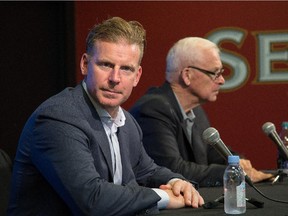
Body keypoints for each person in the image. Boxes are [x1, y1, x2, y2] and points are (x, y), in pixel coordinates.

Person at [7, 18, 204, 215]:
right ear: (85, 64)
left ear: (137, 76)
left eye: (126, 69)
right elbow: (91, 200)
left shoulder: (127, 122)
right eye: (106, 65)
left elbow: (147, 170)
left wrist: (176, 182)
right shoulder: (58, 118)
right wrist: (164, 197)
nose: (115, 79)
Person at [129, 37, 273, 187]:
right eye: (215, 73)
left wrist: (238, 162)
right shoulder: (153, 109)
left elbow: (213, 154)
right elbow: (172, 170)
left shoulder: (196, 110)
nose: (222, 80)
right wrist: (233, 172)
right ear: (187, 75)